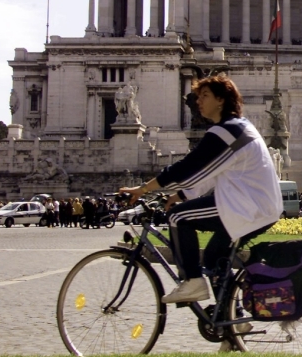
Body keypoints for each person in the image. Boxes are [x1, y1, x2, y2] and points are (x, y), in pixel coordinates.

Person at [121, 74, 282, 304]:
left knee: (178, 216)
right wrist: (181, 194)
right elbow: (212, 173)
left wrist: (145, 188)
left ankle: (193, 282)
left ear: (221, 100)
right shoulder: (240, 127)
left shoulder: (225, 132)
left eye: (204, 95)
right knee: (215, 257)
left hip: (246, 206)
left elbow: (189, 167)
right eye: (198, 96)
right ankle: (233, 324)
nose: (199, 101)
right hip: (259, 206)